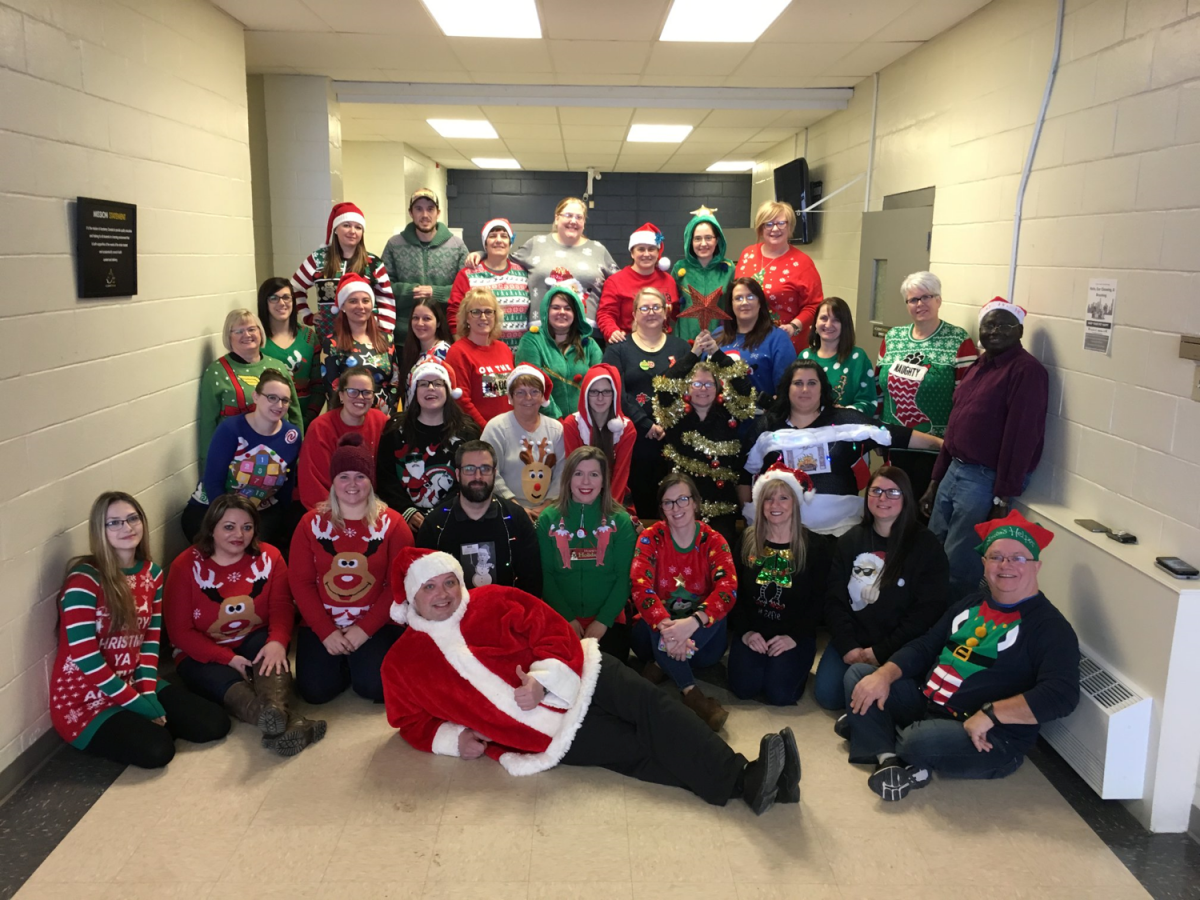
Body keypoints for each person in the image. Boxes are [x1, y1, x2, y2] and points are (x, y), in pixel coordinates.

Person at [381, 546, 799, 814]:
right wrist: (453, 739)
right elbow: (408, 721)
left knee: (656, 709)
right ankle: (754, 782)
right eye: (430, 587)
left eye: (449, 582)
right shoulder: (401, 664)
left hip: (587, 671)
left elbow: (552, 629)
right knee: (636, 749)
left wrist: (542, 681)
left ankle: (750, 778)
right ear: (412, 596)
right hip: (550, 732)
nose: (444, 594)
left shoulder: (494, 599)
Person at [841, 511, 1079, 802]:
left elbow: (1063, 695)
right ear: (984, 563)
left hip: (990, 735)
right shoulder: (971, 603)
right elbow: (926, 645)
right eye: (996, 557)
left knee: (918, 740)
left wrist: (991, 714)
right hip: (930, 702)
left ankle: (875, 730)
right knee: (860, 676)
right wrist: (884, 674)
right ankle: (888, 759)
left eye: (1018, 558)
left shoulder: (1051, 627)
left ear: (1037, 566)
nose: (1005, 565)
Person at [51, 493, 229, 769]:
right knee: (158, 751)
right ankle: (137, 726)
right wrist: (142, 706)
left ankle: (141, 723)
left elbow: (149, 643)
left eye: (132, 518)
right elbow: (87, 659)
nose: (126, 527)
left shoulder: (152, 573)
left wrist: (148, 694)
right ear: (99, 530)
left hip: (134, 679)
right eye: (114, 522)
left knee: (214, 723)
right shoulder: (83, 582)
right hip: (86, 700)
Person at [165, 495, 326, 756]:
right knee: (227, 684)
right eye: (229, 527)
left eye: (247, 527)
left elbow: (281, 608)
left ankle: (276, 713)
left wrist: (278, 642)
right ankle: (291, 722)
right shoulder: (185, 565)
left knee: (270, 655)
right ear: (211, 528)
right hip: (200, 652)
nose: (239, 535)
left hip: (254, 637)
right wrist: (228, 658)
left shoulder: (270, 556)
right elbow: (179, 633)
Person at [921, 298, 1049, 598]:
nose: (995, 331)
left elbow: (1021, 438)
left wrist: (1002, 496)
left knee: (959, 562)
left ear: (1020, 331)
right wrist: (935, 480)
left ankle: (954, 619)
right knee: (931, 548)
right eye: (989, 325)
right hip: (954, 470)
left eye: (1004, 326)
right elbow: (955, 424)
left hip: (983, 479)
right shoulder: (979, 364)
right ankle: (927, 613)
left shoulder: (1026, 371)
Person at [742, 359, 943, 537]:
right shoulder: (767, 427)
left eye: (812, 383)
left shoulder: (846, 421)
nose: (805, 390)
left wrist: (943, 445)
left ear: (822, 388)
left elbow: (894, 434)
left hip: (840, 531)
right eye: (798, 383)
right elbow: (743, 475)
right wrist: (749, 520)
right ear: (787, 388)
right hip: (779, 531)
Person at [290, 434, 413, 704]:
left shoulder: (393, 524)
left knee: (376, 689)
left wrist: (364, 630)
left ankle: (358, 661)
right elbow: (301, 583)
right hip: (324, 620)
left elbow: (398, 584)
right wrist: (325, 631)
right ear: (333, 481)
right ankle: (347, 662)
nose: (352, 484)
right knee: (315, 692)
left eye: (360, 476)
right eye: (344, 476)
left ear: (371, 480)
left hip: (376, 622)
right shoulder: (310, 523)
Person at [816, 466, 949, 712]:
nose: (883, 498)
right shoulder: (850, 540)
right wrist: (848, 645)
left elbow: (927, 612)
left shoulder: (926, 546)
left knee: (871, 696)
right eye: (876, 491)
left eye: (893, 492)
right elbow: (834, 599)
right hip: (854, 641)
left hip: (899, 646)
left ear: (906, 497)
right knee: (828, 696)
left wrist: (881, 651)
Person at [630, 474, 738, 732]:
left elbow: (728, 588)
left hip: (704, 645)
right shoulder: (650, 538)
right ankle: (692, 694)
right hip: (652, 637)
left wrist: (691, 624)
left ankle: (660, 665)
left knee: (717, 610)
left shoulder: (713, 540)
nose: (676, 508)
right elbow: (640, 586)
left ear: (695, 503)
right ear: (662, 508)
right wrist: (668, 628)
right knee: (653, 621)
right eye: (668, 503)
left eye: (682, 500)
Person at [728, 463, 830, 707]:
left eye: (783, 498)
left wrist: (795, 636)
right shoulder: (747, 540)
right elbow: (732, 591)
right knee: (743, 688)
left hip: (794, 634)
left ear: (795, 503)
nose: (775, 505)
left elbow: (820, 600)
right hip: (754, 630)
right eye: (768, 499)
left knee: (780, 694)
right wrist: (746, 632)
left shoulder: (816, 546)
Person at [653, 332, 756, 547]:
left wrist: (717, 354)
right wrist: (693, 354)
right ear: (687, 387)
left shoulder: (730, 413)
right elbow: (664, 386)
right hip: (681, 508)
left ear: (718, 388)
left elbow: (744, 387)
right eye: (697, 384)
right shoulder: (675, 414)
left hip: (722, 510)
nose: (703, 390)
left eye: (709, 384)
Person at [537, 447, 637, 661]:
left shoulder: (620, 521)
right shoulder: (548, 519)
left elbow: (624, 577)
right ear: (568, 478)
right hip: (559, 616)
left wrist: (603, 621)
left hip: (608, 619)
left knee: (606, 673)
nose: (585, 482)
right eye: (578, 473)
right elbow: (545, 575)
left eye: (593, 474)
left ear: (603, 480)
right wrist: (567, 618)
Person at [185, 369, 302, 548]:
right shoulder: (231, 429)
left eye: (285, 400)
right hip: (212, 508)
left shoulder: (291, 435)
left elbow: (288, 482)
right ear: (256, 396)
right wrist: (231, 521)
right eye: (272, 397)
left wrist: (284, 518)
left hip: (260, 511)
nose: (279, 405)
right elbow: (213, 481)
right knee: (227, 547)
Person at [602, 288, 690, 518]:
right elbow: (615, 391)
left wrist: (671, 424)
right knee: (638, 507)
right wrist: (645, 423)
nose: (651, 312)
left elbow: (690, 389)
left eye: (656, 307)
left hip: (674, 439)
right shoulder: (618, 349)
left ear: (665, 312)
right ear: (634, 314)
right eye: (644, 308)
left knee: (674, 503)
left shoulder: (681, 348)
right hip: (633, 439)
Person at [415, 440, 542, 595]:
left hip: (507, 607)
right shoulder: (435, 524)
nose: (478, 476)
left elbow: (532, 582)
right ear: (457, 474)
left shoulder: (517, 518)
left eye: (485, 469)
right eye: (469, 469)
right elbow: (424, 587)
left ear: (494, 473)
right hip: (452, 610)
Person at [376, 359, 480, 530]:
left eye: (438, 383)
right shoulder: (394, 429)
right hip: (403, 523)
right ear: (414, 391)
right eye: (423, 384)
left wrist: (439, 514)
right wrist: (406, 511)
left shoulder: (467, 431)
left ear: (448, 390)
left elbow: (470, 478)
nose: (431, 388)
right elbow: (385, 478)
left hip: (453, 520)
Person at [197, 309, 302, 468]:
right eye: (239, 331)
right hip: (235, 458)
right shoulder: (216, 372)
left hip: (279, 453)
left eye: (252, 329)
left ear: (260, 332)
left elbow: (294, 412)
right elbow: (208, 424)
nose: (246, 335)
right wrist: (208, 466)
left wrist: (298, 453)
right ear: (228, 337)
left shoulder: (278, 366)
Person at [876, 271, 977, 437]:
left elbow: (968, 398)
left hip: (936, 442)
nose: (919, 304)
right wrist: (875, 430)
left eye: (926, 297)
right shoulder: (893, 337)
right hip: (891, 437)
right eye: (913, 300)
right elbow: (877, 389)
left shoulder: (958, 339)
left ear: (939, 300)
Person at [291, 201, 396, 337]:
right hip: (329, 335)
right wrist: (306, 315)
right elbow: (294, 288)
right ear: (335, 229)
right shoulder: (318, 259)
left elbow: (386, 299)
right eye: (346, 225)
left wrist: (384, 333)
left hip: (366, 337)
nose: (352, 231)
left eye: (358, 227)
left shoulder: (373, 263)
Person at [510, 197, 619, 327]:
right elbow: (502, 265)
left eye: (579, 217)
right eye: (568, 215)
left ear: (584, 222)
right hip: (541, 331)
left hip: (586, 332)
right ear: (557, 218)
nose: (573, 221)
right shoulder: (536, 244)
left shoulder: (598, 250)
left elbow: (620, 283)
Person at [735, 200, 824, 352]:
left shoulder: (803, 262)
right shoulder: (747, 254)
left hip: (785, 344)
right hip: (747, 342)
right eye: (768, 224)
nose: (775, 229)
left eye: (781, 223)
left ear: (790, 227)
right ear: (760, 227)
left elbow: (814, 305)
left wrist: (794, 326)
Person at [382, 189, 468, 345]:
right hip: (405, 336)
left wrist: (436, 292)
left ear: (438, 213)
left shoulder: (457, 246)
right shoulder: (394, 245)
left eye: (430, 209)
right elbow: (383, 287)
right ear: (411, 212)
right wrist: (411, 291)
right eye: (418, 209)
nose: (425, 215)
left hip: (445, 335)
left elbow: (466, 289)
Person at [480, 364, 565, 520]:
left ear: (543, 397)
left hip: (549, 512)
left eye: (534, 391)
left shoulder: (556, 429)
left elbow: (562, 472)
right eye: (520, 392)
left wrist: (546, 507)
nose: (528, 398)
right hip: (504, 510)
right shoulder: (496, 428)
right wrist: (515, 508)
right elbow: (489, 471)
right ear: (510, 397)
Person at [514, 268, 602, 419]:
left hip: (584, 422)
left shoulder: (590, 345)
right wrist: (556, 419)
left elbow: (600, 386)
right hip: (543, 422)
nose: (562, 312)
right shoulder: (531, 341)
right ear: (546, 311)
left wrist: (585, 420)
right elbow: (530, 387)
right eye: (555, 307)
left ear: (576, 313)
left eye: (568, 308)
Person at [298, 366, 389, 509]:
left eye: (366, 392)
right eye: (352, 391)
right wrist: (343, 515)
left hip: (372, 507)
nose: (360, 397)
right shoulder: (320, 428)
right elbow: (313, 485)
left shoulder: (381, 421)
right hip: (330, 509)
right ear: (341, 395)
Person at [317, 273, 397, 414]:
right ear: (343, 306)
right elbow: (332, 389)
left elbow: (395, 382)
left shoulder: (387, 340)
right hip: (349, 417)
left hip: (384, 417)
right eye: (353, 301)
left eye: (365, 301)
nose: (360, 306)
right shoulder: (332, 344)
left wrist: (388, 413)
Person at [448, 218, 530, 351]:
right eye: (492, 236)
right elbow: (454, 316)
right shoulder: (467, 274)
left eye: (504, 236)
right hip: (480, 355)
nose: (498, 240)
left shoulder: (524, 273)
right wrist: (466, 351)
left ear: (510, 242)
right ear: (485, 244)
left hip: (520, 354)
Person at [561, 364, 635, 508]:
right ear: (585, 393)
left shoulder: (626, 428)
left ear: (614, 394)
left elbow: (621, 473)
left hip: (615, 498)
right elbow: (573, 471)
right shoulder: (573, 424)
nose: (600, 398)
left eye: (606, 392)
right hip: (579, 495)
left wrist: (609, 509)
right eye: (594, 392)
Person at [716, 276, 796, 403]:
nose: (744, 302)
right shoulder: (717, 335)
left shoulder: (778, 339)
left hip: (759, 413)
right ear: (731, 304)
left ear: (760, 302)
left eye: (750, 297)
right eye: (738, 298)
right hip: (716, 412)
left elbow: (785, 391)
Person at [445, 287, 516, 429]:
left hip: (510, 429)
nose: (483, 317)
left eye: (488, 311)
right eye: (476, 312)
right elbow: (462, 401)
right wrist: (487, 430)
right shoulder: (458, 352)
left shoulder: (504, 349)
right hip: (478, 433)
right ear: (467, 318)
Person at [596, 222, 678, 344]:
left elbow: (678, 314)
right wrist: (612, 331)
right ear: (632, 253)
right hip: (627, 343)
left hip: (663, 343)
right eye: (641, 249)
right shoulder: (615, 281)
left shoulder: (668, 280)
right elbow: (606, 313)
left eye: (651, 249)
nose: (646, 254)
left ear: (658, 253)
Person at [258, 276, 324, 427]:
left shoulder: (309, 337)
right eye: (274, 298)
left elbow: (318, 386)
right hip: (266, 424)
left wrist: (306, 420)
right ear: (264, 302)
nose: (281, 303)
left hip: (305, 421)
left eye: (286, 297)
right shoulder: (258, 339)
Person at [798, 296, 876, 415]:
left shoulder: (858, 358)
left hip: (845, 425)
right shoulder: (805, 356)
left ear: (845, 325)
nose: (828, 324)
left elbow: (868, 403)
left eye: (836, 320)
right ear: (815, 323)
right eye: (824, 318)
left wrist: (844, 413)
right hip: (806, 424)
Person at [673, 208, 735, 344]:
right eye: (697, 238)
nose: (703, 244)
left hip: (720, 339)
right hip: (686, 338)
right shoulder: (680, 268)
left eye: (708, 238)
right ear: (690, 241)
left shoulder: (729, 268)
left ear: (717, 240)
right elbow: (673, 305)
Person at [395, 297, 453, 393]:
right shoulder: (413, 351)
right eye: (416, 318)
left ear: (438, 323)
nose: (420, 323)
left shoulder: (443, 352)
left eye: (427, 318)